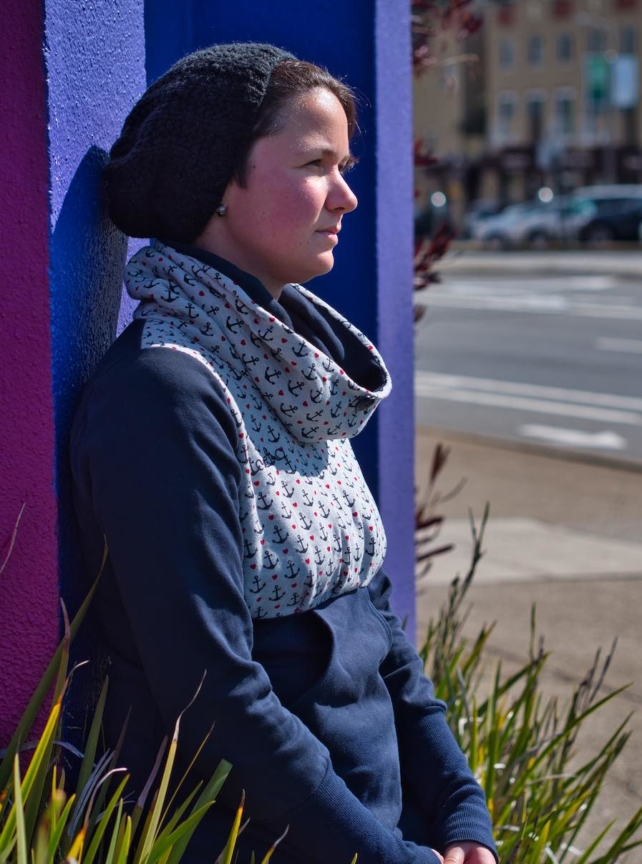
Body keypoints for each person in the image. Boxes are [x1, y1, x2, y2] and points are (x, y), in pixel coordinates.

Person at [70, 43, 497, 864]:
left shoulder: (292, 370)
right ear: (216, 185)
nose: (346, 194)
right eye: (314, 165)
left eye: (344, 164)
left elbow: (372, 618)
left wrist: (458, 812)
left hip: (375, 830)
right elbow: (213, 695)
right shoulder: (165, 394)